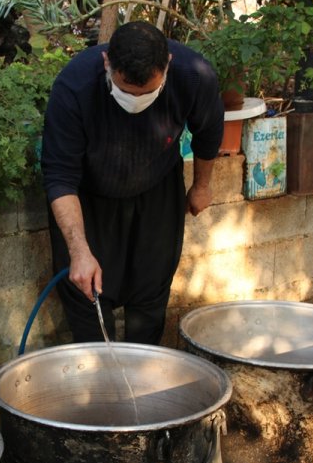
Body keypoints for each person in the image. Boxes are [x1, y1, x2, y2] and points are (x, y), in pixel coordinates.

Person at [41, 20, 225, 345]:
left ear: (167, 65)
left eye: (148, 92)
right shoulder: (74, 87)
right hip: (90, 195)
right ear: (106, 63)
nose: (136, 100)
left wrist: (202, 185)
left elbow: (208, 131)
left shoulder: (193, 75)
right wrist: (80, 251)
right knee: (87, 293)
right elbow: (59, 175)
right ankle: (101, 378)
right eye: (125, 91)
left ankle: (145, 376)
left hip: (157, 187)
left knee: (152, 291)